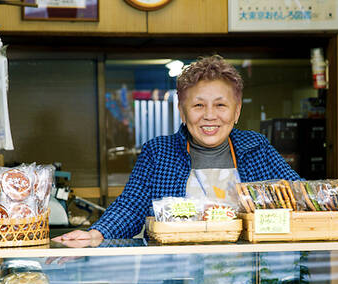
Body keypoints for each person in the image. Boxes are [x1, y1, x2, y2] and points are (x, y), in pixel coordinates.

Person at [53, 55, 300, 246]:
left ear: (236, 112)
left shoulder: (256, 147)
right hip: (177, 280)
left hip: (248, 278)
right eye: (198, 105)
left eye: (221, 105)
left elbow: (299, 195)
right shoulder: (159, 152)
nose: (210, 116)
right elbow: (130, 206)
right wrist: (96, 233)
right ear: (182, 112)